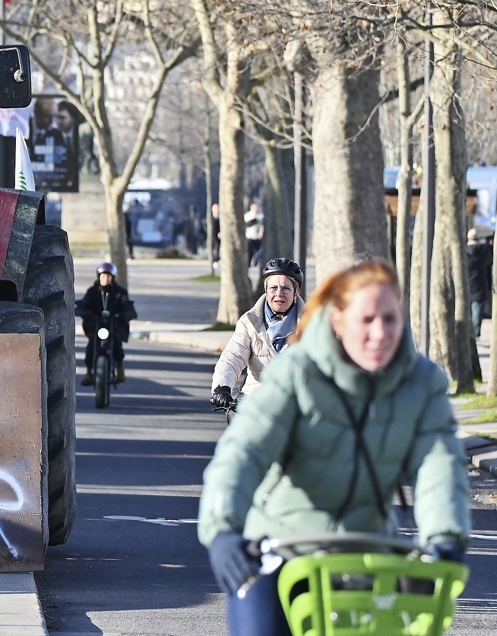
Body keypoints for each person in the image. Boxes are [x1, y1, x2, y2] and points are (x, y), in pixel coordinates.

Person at [198, 259, 470, 636]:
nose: (379, 333)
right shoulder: (296, 373)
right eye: (366, 320)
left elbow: (441, 466)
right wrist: (223, 529)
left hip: (367, 549)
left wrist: (447, 538)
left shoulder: (420, 383)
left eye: (390, 319)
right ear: (339, 321)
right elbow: (243, 452)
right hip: (280, 549)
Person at [210, 258, 305, 410]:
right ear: (265, 290)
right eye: (273, 288)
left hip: (296, 407)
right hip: (255, 404)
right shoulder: (249, 322)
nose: (279, 294)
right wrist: (222, 387)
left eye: (286, 288)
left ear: (296, 291)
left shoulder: (312, 325)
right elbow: (232, 357)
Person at [76, 262, 137, 385]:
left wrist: (125, 315)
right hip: (96, 325)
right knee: (92, 344)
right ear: (98, 276)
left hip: (114, 324)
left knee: (117, 343)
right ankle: (88, 372)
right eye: (103, 276)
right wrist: (82, 311)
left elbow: (128, 307)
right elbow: (83, 304)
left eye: (108, 276)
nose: (105, 279)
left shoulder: (120, 292)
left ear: (113, 278)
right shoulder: (92, 291)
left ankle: (119, 368)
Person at [465, 227, 494, 338]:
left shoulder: (463, 252)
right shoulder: (484, 252)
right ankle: (475, 334)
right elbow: (489, 260)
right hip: (480, 286)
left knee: (468, 313)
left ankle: (469, 334)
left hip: (466, 286)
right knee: (477, 314)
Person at [244, 201, 264, 266]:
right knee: (250, 251)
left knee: (258, 251)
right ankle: (249, 263)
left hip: (257, 237)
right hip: (249, 236)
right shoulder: (247, 215)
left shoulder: (260, 216)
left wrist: (261, 233)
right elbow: (246, 225)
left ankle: (255, 261)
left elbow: (261, 226)